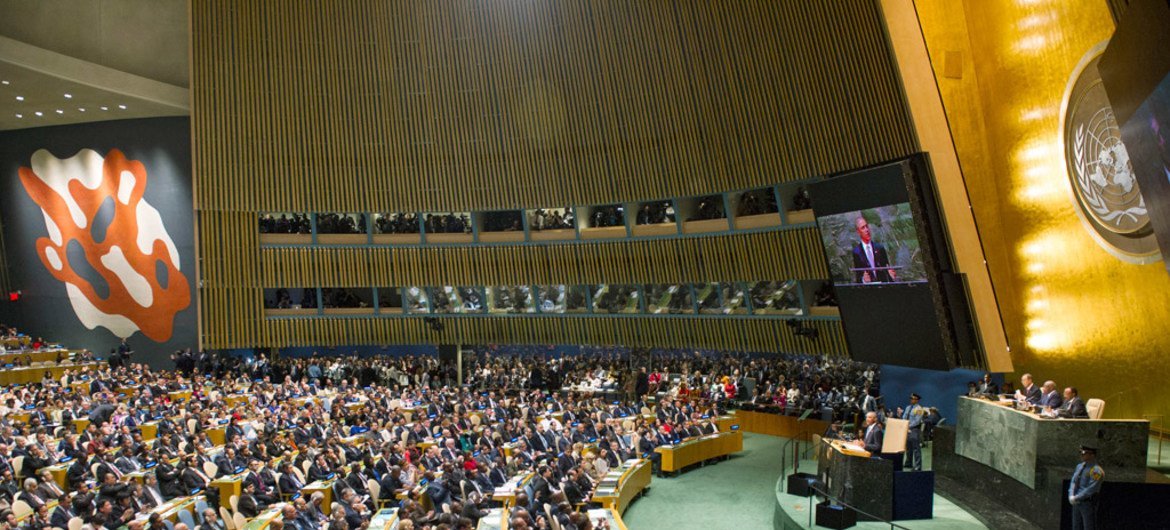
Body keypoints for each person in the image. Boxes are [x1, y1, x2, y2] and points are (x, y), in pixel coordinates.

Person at [851, 216, 896, 283]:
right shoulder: (856, 252)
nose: (867, 230)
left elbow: (887, 270)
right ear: (858, 231)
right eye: (863, 228)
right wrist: (864, 280)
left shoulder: (880, 248)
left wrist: (891, 276)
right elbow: (858, 277)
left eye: (867, 226)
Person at [1069, 444, 1104, 530]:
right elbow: (1073, 481)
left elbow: (1091, 488)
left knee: (1089, 526)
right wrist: (1071, 494)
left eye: (1084, 453)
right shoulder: (1080, 466)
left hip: (1088, 503)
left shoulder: (1096, 470)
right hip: (1076, 502)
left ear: (1092, 455)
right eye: (1080, 452)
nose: (1082, 455)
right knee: (1076, 526)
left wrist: (1077, 497)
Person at [897, 393, 925, 471]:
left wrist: (908, 426)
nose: (911, 400)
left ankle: (918, 466)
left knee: (916, 448)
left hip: (914, 430)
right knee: (908, 447)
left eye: (913, 399)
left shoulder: (919, 409)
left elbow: (917, 421)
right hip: (906, 429)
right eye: (911, 398)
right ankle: (908, 463)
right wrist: (903, 424)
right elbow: (904, 417)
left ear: (917, 400)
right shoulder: (908, 407)